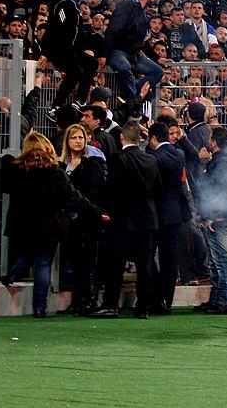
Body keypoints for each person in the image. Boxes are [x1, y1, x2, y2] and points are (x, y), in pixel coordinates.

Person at [0, 131, 108, 319]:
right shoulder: (55, 171)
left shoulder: (18, 170)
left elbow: (4, 174)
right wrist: (97, 212)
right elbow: (74, 197)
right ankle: (39, 308)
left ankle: (13, 274)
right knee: (43, 263)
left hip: (24, 224)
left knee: (27, 252)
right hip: (49, 225)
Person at [89, 119, 162, 319]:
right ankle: (143, 307)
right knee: (145, 265)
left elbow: (112, 189)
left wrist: (106, 209)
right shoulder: (151, 160)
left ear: (121, 137)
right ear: (140, 138)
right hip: (147, 220)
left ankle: (111, 305)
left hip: (123, 220)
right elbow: (158, 189)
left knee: (116, 264)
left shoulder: (117, 159)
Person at [57, 123, 106, 315]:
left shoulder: (92, 164)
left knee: (86, 260)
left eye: (81, 138)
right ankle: (77, 300)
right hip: (68, 220)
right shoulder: (62, 164)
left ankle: (87, 300)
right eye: (74, 138)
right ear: (67, 141)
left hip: (86, 219)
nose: (78, 141)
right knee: (74, 260)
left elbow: (94, 192)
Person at [193, 125, 227, 315]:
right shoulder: (222, 161)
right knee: (216, 260)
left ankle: (224, 300)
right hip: (216, 215)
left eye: (210, 138)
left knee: (220, 259)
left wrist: (213, 215)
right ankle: (217, 299)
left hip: (217, 217)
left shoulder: (222, 163)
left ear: (214, 142)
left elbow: (219, 189)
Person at [146, 120, 191, 315]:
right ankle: (167, 300)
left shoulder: (153, 158)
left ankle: (156, 297)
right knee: (169, 259)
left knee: (147, 256)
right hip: (175, 214)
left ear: (153, 139)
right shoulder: (179, 154)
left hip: (156, 214)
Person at [43, 0, 97, 117]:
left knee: (91, 63)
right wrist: (47, 52)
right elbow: (59, 28)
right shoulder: (65, 3)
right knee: (76, 71)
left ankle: (80, 100)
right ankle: (55, 107)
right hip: (62, 48)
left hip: (70, 47)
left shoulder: (69, 2)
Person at [105, 0, 164, 103]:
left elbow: (140, 41)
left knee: (157, 71)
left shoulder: (139, 9)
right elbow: (112, 31)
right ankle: (132, 100)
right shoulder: (127, 6)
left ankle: (134, 96)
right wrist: (103, 54)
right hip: (118, 51)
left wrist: (156, 58)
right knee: (125, 67)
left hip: (134, 54)